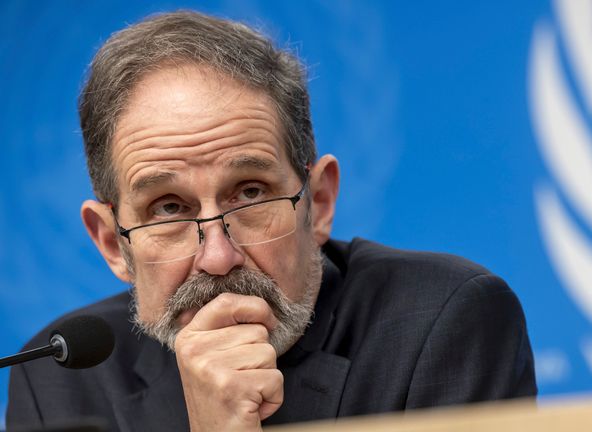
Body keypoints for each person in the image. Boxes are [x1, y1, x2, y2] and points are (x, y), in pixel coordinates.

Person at [6, 10, 536, 431]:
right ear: (111, 242)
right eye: (168, 208)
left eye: (250, 193)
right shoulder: (62, 376)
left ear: (319, 202)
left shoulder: (442, 322)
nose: (217, 257)